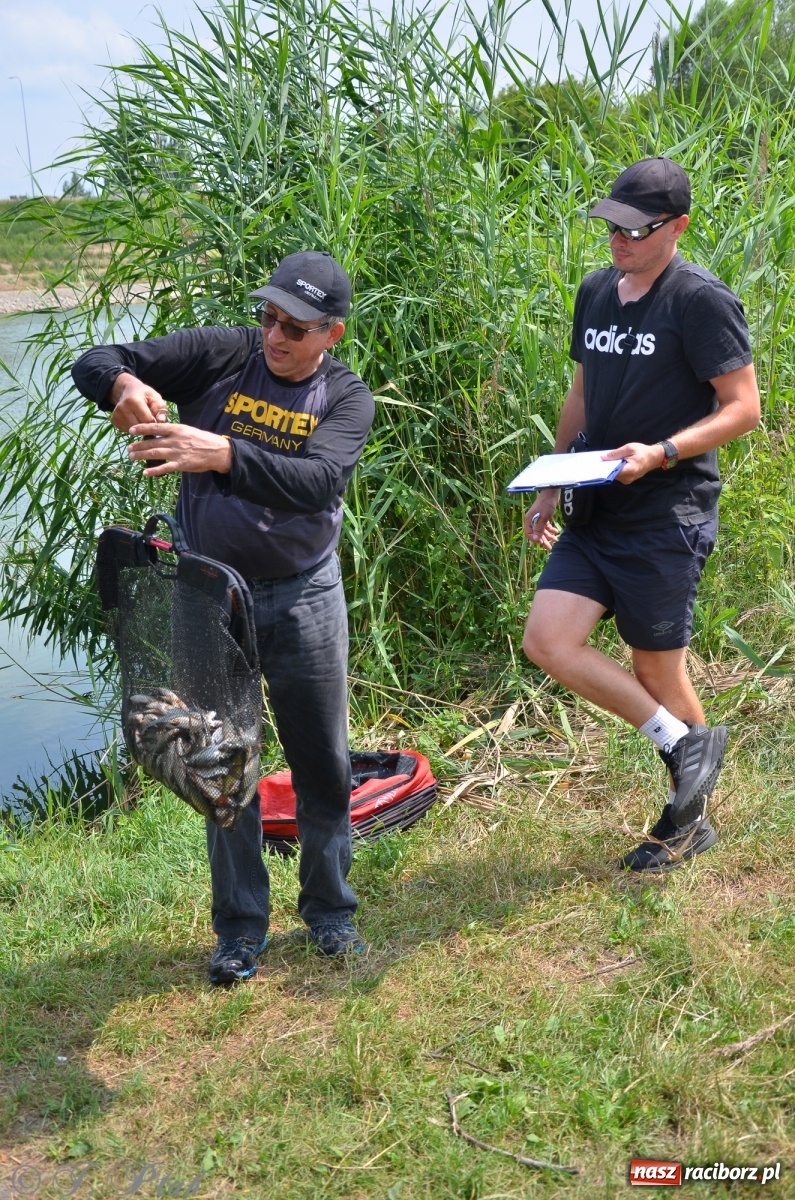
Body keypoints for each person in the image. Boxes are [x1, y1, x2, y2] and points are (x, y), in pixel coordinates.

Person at [72, 250, 375, 978]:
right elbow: (95, 356)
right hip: (209, 593)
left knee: (323, 762)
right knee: (218, 763)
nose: (274, 334)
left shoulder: (345, 396)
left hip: (305, 594)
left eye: (295, 328)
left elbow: (318, 481)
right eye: (269, 316)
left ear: (330, 334)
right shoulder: (221, 355)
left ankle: (329, 912)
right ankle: (240, 928)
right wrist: (121, 382)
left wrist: (219, 453)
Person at [522, 157, 760, 871]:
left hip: (666, 513)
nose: (617, 242)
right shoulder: (596, 291)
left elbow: (743, 409)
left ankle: (688, 821)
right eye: (611, 226)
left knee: (656, 669)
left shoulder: (698, 301)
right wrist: (546, 482)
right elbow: (581, 394)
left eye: (634, 230)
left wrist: (661, 451)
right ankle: (684, 744)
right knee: (548, 641)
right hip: (594, 504)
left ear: (677, 226)